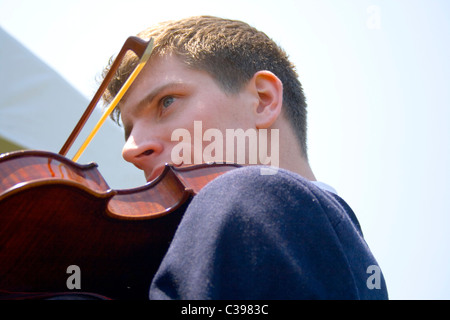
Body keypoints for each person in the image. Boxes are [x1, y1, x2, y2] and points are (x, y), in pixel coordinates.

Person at [101, 15, 388, 300]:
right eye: (129, 130)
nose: (131, 149)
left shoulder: (254, 195)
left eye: (166, 102)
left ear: (263, 100)